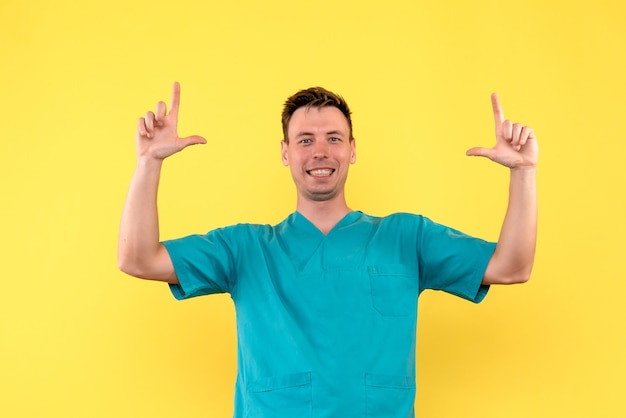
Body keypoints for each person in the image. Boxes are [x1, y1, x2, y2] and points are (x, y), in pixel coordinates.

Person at [118, 82, 538, 418]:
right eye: (304, 140)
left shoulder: (406, 238)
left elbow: (511, 266)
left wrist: (524, 173)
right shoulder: (244, 249)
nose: (320, 151)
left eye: (333, 138)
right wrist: (148, 163)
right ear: (285, 153)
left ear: (352, 150)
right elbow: (137, 259)